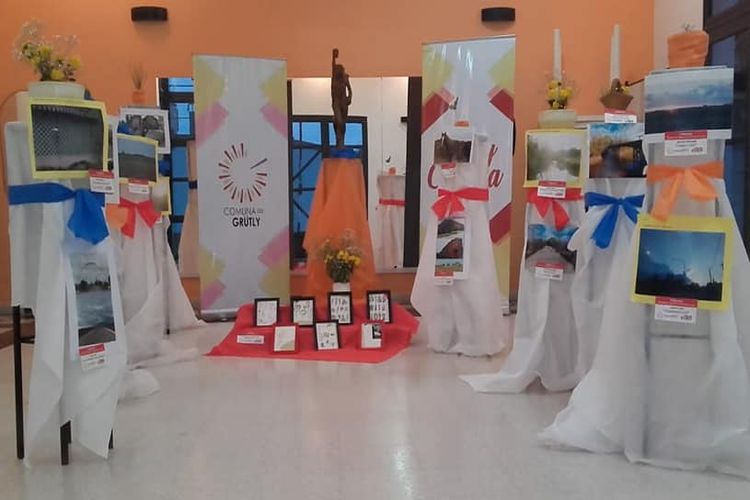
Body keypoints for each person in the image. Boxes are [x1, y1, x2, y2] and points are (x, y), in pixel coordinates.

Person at [331, 48, 352, 149]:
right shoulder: (334, 79)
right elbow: (332, 66)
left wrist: (349, 98)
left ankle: (340, 142)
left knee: (342, 123)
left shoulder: (344, 79)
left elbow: (350, 89)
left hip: (343, 102)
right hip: (336, 102)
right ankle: (339, 140)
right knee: (338, 121)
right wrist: (333, 56)